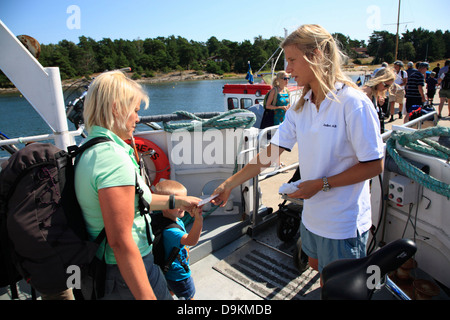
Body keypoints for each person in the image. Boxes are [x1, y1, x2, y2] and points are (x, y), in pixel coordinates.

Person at [211, 24, 384, 281]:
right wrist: (228, 184)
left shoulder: (353, 103)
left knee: (337, 286)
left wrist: (322, 184)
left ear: (315, 55)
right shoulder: (299, 107)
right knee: (315, 266)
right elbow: (269, 156)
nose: (288, 70)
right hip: (312, 216)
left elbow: (374, 166)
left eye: (292, 60)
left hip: (341, 224)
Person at [74, 70, 201, 300]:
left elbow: (139, 200)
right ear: (116, 108)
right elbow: (120, 242)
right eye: (134, 111)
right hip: (127, 271)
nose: (138, 118)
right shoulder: (111, 159)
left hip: (112, 268)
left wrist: (179, 200)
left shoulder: (90, 149)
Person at [153, 180, 203, 300]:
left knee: (170, 289)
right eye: (178, 203)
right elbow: (191, 241)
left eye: (183, 201)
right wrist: (198, 220)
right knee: (189, 296)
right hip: (179, 275)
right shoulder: (171, 231)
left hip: (168, 272)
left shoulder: (170, 219)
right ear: (164, 205)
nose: (182, 206)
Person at [362, 67, 395, 132]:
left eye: (389, 86)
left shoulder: (375, 93)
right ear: (378, 80)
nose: (386, 88)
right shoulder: (365, 93)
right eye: (386, 85)